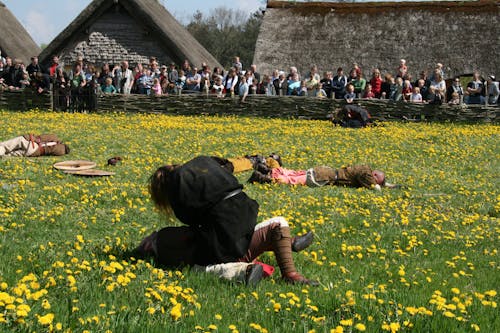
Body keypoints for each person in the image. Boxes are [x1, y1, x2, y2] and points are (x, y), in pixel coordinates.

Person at [135, 156, 317, 285]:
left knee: (196, 265)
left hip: (220, 243)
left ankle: (242, 271)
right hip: (244, 220)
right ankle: (290, 272)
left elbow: (188, 219)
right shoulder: (201, 167)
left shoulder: (178, 185)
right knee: (279, 223)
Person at [248, 163, 396, 191]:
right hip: (324, 177)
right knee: (292, 181)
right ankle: (261, 177)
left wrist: (388, 184)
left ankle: (265, 169)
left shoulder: (364, 167)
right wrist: (381, 186)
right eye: (378, 179)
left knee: (293, 173)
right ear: (374, 175)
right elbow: (374, 187)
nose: (375, 181)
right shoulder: (366, 173)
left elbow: (377, 183)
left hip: (323, 171)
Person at [0, 134, 70, 157]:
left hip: (33, 145)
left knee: (5, 146)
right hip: (34, 152)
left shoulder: (55, 138)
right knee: (10, 154)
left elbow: (40, 138)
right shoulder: (61, 152)